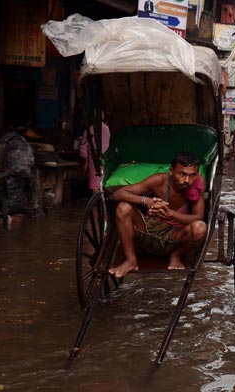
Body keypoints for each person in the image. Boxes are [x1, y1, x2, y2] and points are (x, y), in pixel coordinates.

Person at [109, 150, 207, 278]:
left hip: (178, 235)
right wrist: (147, 201)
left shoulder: (197, 184)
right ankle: (130, 261)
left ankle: (176, 255)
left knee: (200, 227)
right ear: (172, 171)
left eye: (192, 175)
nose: (187, 180)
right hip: (150, 229)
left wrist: (170, 214)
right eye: (182, 174)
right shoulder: (159, 180)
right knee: (123, 207)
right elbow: (118, 194)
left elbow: (198, 217)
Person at [79, 117, 111, 193]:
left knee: (95, 184)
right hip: (107, 159)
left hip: (94, 160)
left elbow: (83, 148)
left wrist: (86, 162)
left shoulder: (89, 130)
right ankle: (104, 202)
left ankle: (96, 203)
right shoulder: (108, 129)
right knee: (106, 181)